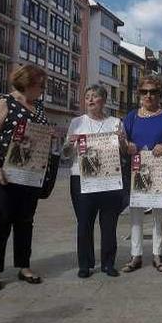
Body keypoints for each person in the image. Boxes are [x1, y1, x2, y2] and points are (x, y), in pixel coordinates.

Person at [0, 65, 50, 291]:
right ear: (28, 83)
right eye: (40, 85)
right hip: (4, 169)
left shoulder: (38, 106)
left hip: (29, 171)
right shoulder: (5, 103)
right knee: (1, 217)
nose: (43, 89)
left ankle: (23, 265)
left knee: (25, 219)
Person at [63, 85, 127, 278]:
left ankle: (108, 263)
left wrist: (122, 141)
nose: (90, 100)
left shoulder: (116, 123)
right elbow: (66, 154)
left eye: (95, 97)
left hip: (109, 179)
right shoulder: (76, 122)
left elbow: (123, 152)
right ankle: (85, 264)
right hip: (81, 179)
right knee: (84, 223)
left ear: (104, 100)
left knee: (109, 223)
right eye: (87, 97)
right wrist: (69, 143)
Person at [120, 74, 162, 273]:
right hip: (136, 171)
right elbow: (123, 141)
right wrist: (128, 145)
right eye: (144, 92)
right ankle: (136, 255)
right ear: (139, 94)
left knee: (159, 213)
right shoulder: (132, 116)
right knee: (136, 214)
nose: (148, 95)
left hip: (160, 170)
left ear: (160, 94)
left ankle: (158, 254)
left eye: (153, 92)